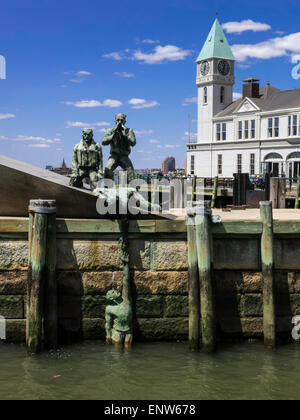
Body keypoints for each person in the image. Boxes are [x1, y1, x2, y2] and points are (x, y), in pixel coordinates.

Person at [101, 114, 136, 182]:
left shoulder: (129, 131)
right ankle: (108, 187)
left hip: (124, 156)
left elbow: (133, 143)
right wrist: (113, 134)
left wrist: (125, 134)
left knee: (131, 175)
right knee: (107, 170)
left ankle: (131, 190)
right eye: (118, 120)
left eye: (122, 120)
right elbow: (103, 142)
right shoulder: (110, 130)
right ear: (115, 121)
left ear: (125, 122)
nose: (120, 122)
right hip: (114, 156)